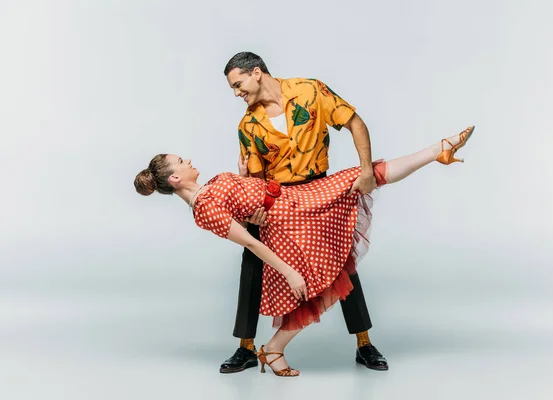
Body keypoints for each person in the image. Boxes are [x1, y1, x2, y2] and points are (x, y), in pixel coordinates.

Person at [134, 125, 475, 376]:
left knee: (359, 176)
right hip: (288, 224)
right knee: (326, 282)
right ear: (175, 178)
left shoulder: (208, 189)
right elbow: (250, 242)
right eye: (181, 161)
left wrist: (244, 180)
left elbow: (244, 200)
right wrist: (289, 270)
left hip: (292, 201)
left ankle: (437, 151)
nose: (188, 160)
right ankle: (273, 349)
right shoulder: (203, 208)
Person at [220, 51, 388, 374]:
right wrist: (251, 200)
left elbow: (355, 123)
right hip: (276, 199)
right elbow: (255, 179)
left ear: (256, 73)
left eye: (238, 84)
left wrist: (366, 170)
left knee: (341, 259)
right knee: (252, 254)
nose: (236, 93)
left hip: (318, 191)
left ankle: (364, 343)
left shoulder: (311, 92)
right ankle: (245, 347)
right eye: (233, 89)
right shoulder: (248, 125)